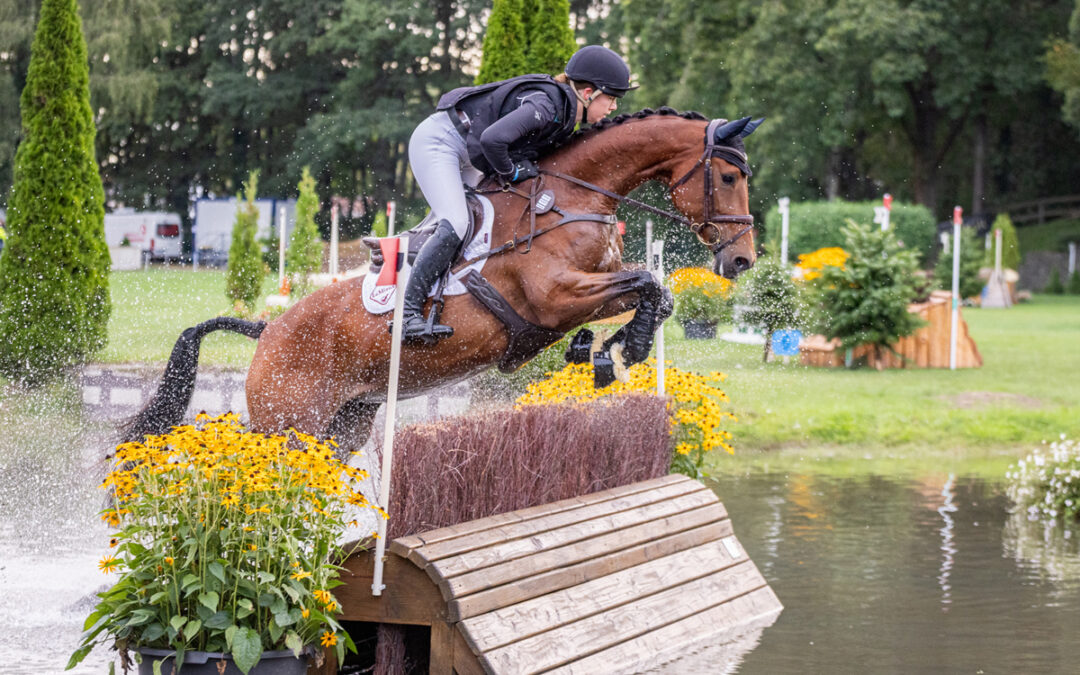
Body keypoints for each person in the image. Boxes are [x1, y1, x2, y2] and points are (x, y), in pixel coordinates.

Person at [397, 45, 636, 344]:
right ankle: (407, 316)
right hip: (443, 142)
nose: (613, 107)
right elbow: (493, 140)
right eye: (611, 98)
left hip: (471, 151)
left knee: (493, 221)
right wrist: (512, 173)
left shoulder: (566, 117)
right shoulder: (548, 106)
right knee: (457, 222)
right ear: (588, 93)